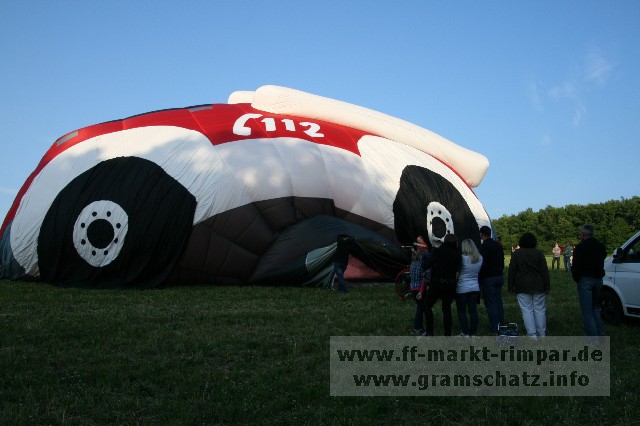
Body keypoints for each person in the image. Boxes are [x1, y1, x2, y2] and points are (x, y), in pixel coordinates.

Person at [508, 232, 550, 337]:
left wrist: (510, 286)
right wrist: (547, 285)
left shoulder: (516, 254)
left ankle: (532, 334)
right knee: (540, 310)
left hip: (522, 285)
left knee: (527, 310)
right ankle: (541, 333)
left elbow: (512, 271)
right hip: (538, 285)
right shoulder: (539, 253)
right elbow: (544, 271)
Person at [572, 224, 607, 340]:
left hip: (585, 280)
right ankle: (601, 335)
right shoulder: (600, 246)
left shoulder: (580, 247)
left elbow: (576, 266)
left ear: (583, 234)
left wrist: (577, 278)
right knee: (595, 307)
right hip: (598, 280)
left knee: (587, 312)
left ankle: (593, 339)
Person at [422, 233, 461, 336]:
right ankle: (447, 333)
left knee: (427, 306)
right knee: (446, 309)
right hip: (450, 284)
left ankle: (429, 332)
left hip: (437, 282)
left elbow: (427, 265)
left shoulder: (438, 251)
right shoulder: (457, 253)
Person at [478, 225, 505, 333]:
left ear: (481, 234)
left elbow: (482, 263)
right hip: (499, 276)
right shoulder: (498, 245)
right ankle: (501, 323)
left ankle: (495, 326)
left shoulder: (484, 246)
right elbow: (502, 260)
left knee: (491, 303)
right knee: (498, 301)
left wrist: (480, 278)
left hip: (489, 278)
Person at [456, 239, 483, 337]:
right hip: (475, 287)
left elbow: (458, 272)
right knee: (473, 311)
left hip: (462, 287)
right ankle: (472, 332)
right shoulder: (480, 258)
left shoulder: (462, 258)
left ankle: (465, 331)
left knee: (461, 311)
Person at [410, 244, 429, 334]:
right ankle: (418, 328)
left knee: (422, 307)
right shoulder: (423, 265)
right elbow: (424, 279)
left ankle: (424, 325)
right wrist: (421, 291)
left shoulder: (413, 264)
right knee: (420, 309)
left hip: (413, 288)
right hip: (420, 289)